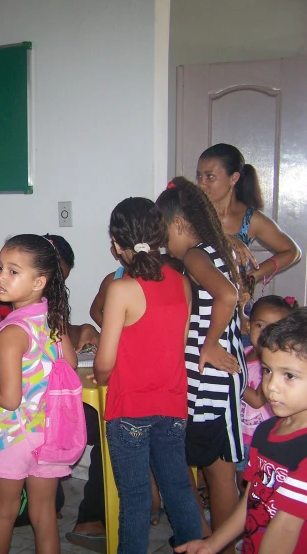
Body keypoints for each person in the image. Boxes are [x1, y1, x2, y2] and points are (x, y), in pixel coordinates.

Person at [92, 198, 201, 552]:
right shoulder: (182, 282)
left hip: (130, 409)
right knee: (178, 488)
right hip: (172, 404)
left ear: (116, 242)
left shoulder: (121, 288)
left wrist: (100, 376)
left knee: (136, 499)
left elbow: (105, 362)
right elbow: (178, 344)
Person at [0, 234, 76, 554]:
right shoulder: (53, 319)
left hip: (12, 438)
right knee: (44, 515)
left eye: (13, 271)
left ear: (39, 281)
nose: (0, 276)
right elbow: (69, 363)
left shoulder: (11, 332)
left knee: (3, 513)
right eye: (0, 267)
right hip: (48, 434)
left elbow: (9, 398)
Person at [157, 179, 247, 553]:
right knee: (212, 465)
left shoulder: (195, 254)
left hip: (211, 377)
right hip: (216, 376)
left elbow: (227, 295)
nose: (165, 245)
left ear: (178, 224)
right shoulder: (216, 248)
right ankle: (210, 539)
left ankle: (216, 543)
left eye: (164, 235)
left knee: (215, 468)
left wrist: (208, 344)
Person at [175, 308, 307, 554]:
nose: (271, 387)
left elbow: (286, 528)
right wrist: (213, 544)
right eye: (267, 371)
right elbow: (252, 498)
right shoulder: (267, 430)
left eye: (289, 375)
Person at [196, 144, 302, 344]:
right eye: (199, 176)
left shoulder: (249, 219)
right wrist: (225, 238)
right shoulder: (192, 215)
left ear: (233, 178)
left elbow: (292, 251)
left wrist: (253, 276)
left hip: (235, 310)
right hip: (197, 306)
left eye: (209, 176)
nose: (201, 184)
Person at [236, 295, 298, 490]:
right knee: (240, 480)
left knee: (255, 485)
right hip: (239, 434)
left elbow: (256, 400)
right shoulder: (244, 353)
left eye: (274, 328)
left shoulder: (273, 368)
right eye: (260, 326)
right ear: (248, 326)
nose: (265, 334)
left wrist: (231, 378)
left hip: (261, 438)